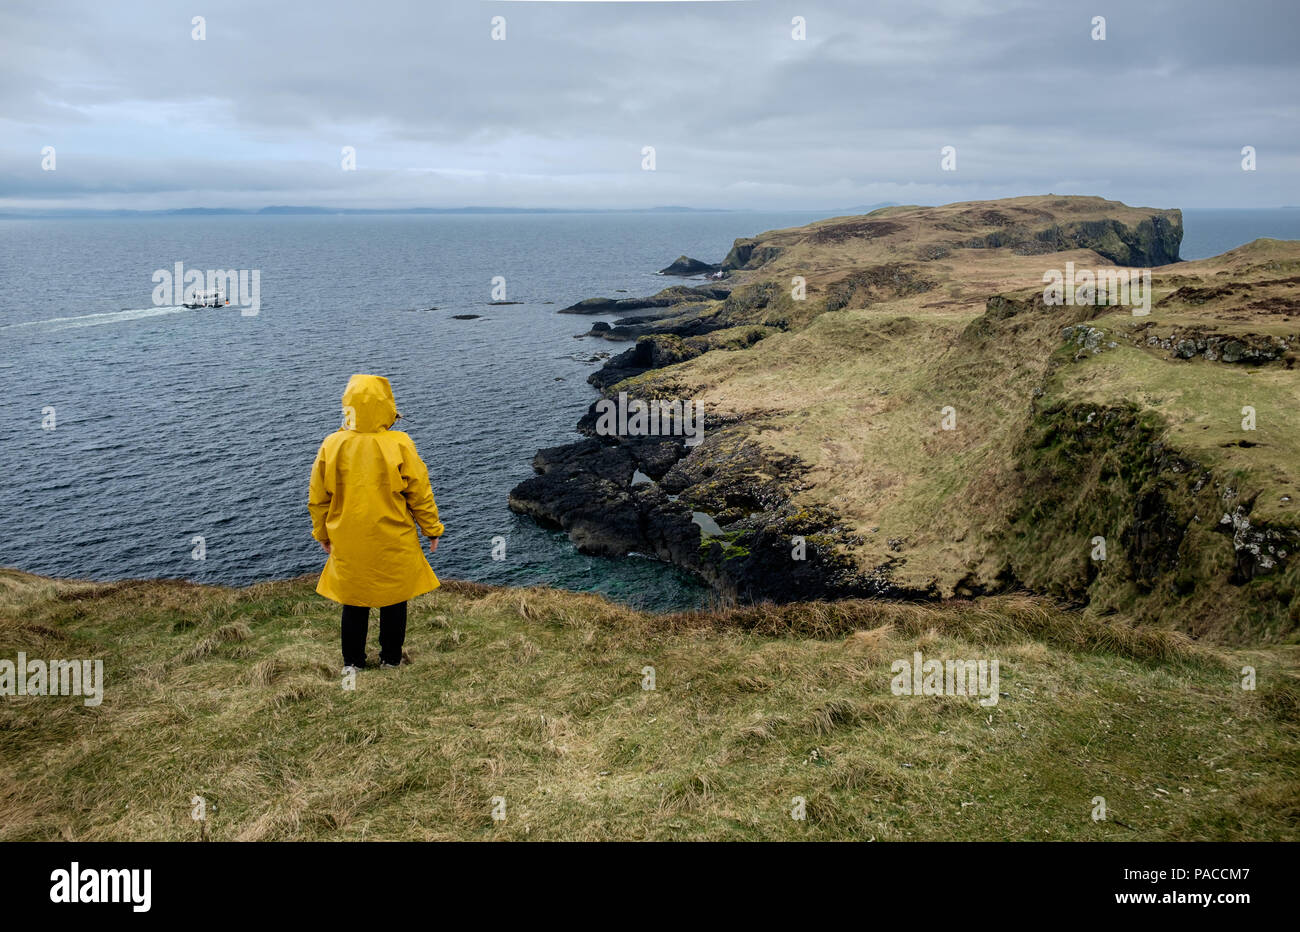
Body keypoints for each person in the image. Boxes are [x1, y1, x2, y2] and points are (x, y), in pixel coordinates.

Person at [308, 374, 444, 674]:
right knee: (393, 599)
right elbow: (419, 492)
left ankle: (352, 664)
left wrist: (322, 532)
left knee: (354, 601)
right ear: (386, 406)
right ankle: (390, 660)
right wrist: (431, 528)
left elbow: (318, 497)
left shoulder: (333, 444)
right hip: (393, 535)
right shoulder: (399, 443)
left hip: (348, 536)